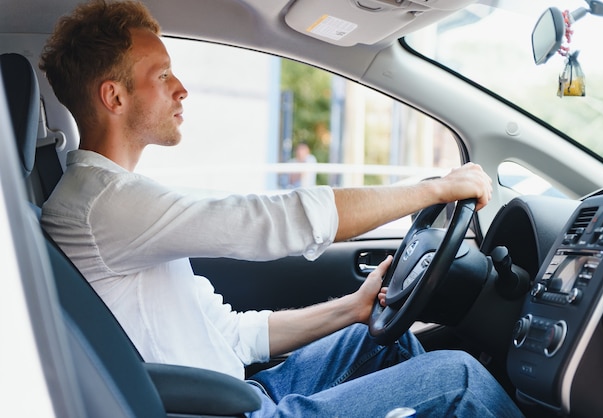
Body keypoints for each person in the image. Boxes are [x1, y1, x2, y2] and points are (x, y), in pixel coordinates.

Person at [38, 1, 524, 416]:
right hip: (228, 409)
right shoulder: (105, 206)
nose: (181, 88)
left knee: (377, 339)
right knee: (457, 378)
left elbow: (231, 333)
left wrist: (353, 309)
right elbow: (273, 220)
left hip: (240, 393)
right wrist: (434, 189)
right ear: (114, 96)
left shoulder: (111, 200)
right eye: (162, 75)